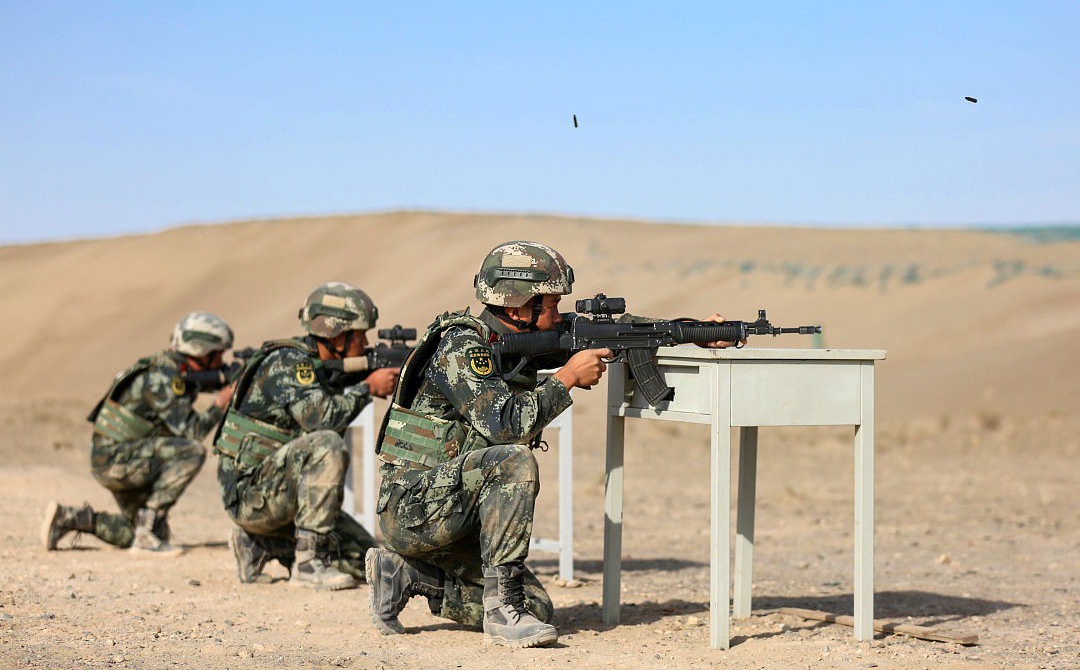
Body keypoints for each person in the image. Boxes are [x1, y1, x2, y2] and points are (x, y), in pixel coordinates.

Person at [367, 240, 737, 647]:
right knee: (513, 460)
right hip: (414, 509)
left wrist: (691, 332)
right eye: (552, 305)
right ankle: (503, 615)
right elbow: (505, 426)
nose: (560, 315)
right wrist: (567, 378)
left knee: (539, 607)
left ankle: (409, 575)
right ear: (518, 308)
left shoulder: (512, 341)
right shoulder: (462, 348)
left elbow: (620, 330)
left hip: (457, 510)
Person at [215, 282, 399, 590]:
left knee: (366, 558)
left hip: (275, 493)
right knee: (326, 443)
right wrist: (368, 387)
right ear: (337, 333)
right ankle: (308, 564)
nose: (366, 341)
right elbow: (319, 420)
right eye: (360, 333)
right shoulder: (288, 362)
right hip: (250, 496)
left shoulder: (316, 365)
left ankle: (259, 545)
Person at [43, 312, 237, 555]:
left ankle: (70, 518)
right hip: (119, 460)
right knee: (192, 451)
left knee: (135, 530)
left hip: (115, 459)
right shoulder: (163, 378)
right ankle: (147, 532)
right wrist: (222, 402)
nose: (221, 361)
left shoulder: (166, 370)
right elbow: (193, 431)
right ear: (201, 350)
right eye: (218, 354)